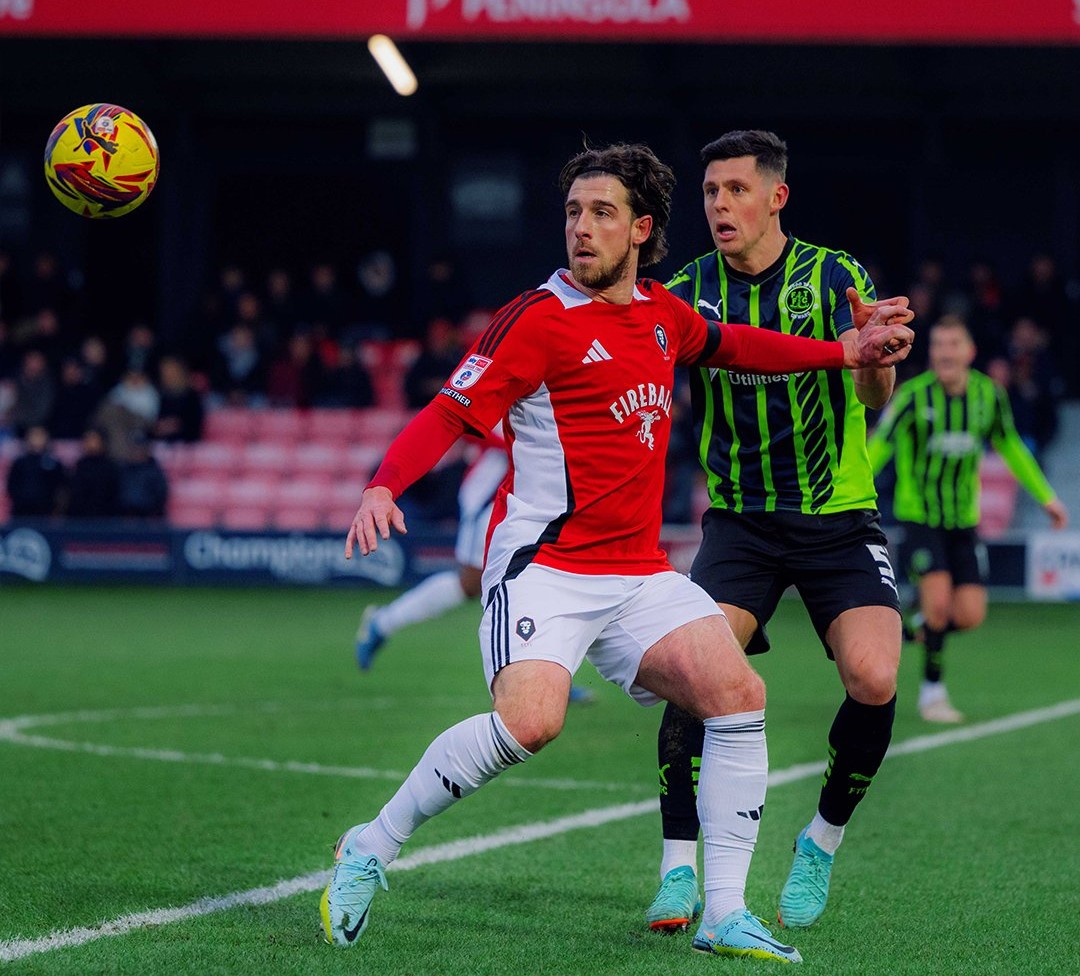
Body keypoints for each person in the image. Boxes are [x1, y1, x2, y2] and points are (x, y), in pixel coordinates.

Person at [320, 142, 912, 962]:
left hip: (635, 573)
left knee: (737, 692)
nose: (581, 229)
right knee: (532, 724)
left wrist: (840, 353)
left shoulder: (663, 316)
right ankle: (370, 845)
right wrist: (384, 483)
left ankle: (722, 912)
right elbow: (452, 414)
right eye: (572, 213)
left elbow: (740, 346)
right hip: (545, 569)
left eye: (601, 214)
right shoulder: (537, 320)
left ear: (641, 229)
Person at [646, 129, 912, 935]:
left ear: (775, 197)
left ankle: (821, 839)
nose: (719, 205)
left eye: (735, 190)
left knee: (873, 678)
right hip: (740, 524)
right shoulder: (687, 291)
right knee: (696, 675)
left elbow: (872, 393)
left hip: (837, 518)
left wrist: (875, 354)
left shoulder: (838, 275)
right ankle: (678, 868)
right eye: (710, 193)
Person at [867, 315, 1068, 723]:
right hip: (921, 517)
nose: (945, 352)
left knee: (970, 615)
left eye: (953, 344)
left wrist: (1046, 497)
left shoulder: (987, 396)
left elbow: (1009, 445)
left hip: (963, 520)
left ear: (969, 352)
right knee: (940, 605)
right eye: (938, 345)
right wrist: (847, 494)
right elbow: (880, 446)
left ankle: (910, 624)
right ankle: (932, 693)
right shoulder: (913, 396)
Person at [353, 431, 597, 703]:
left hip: (527, 503)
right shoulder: (513, 396)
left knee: (535, 581)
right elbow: (474, 425)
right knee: (474, 584)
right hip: (488, 502)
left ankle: (550, 675)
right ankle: (383, 622)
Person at [5, 425, 66, 518]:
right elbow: (12, 484)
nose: (37, 439)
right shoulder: (20, 462)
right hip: (21, 509)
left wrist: (53, 504)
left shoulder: (54, 463)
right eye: (34, 435)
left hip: (45, 510)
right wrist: (19, 499)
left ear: (47, 437)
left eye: (40, 435)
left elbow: (59, 485)